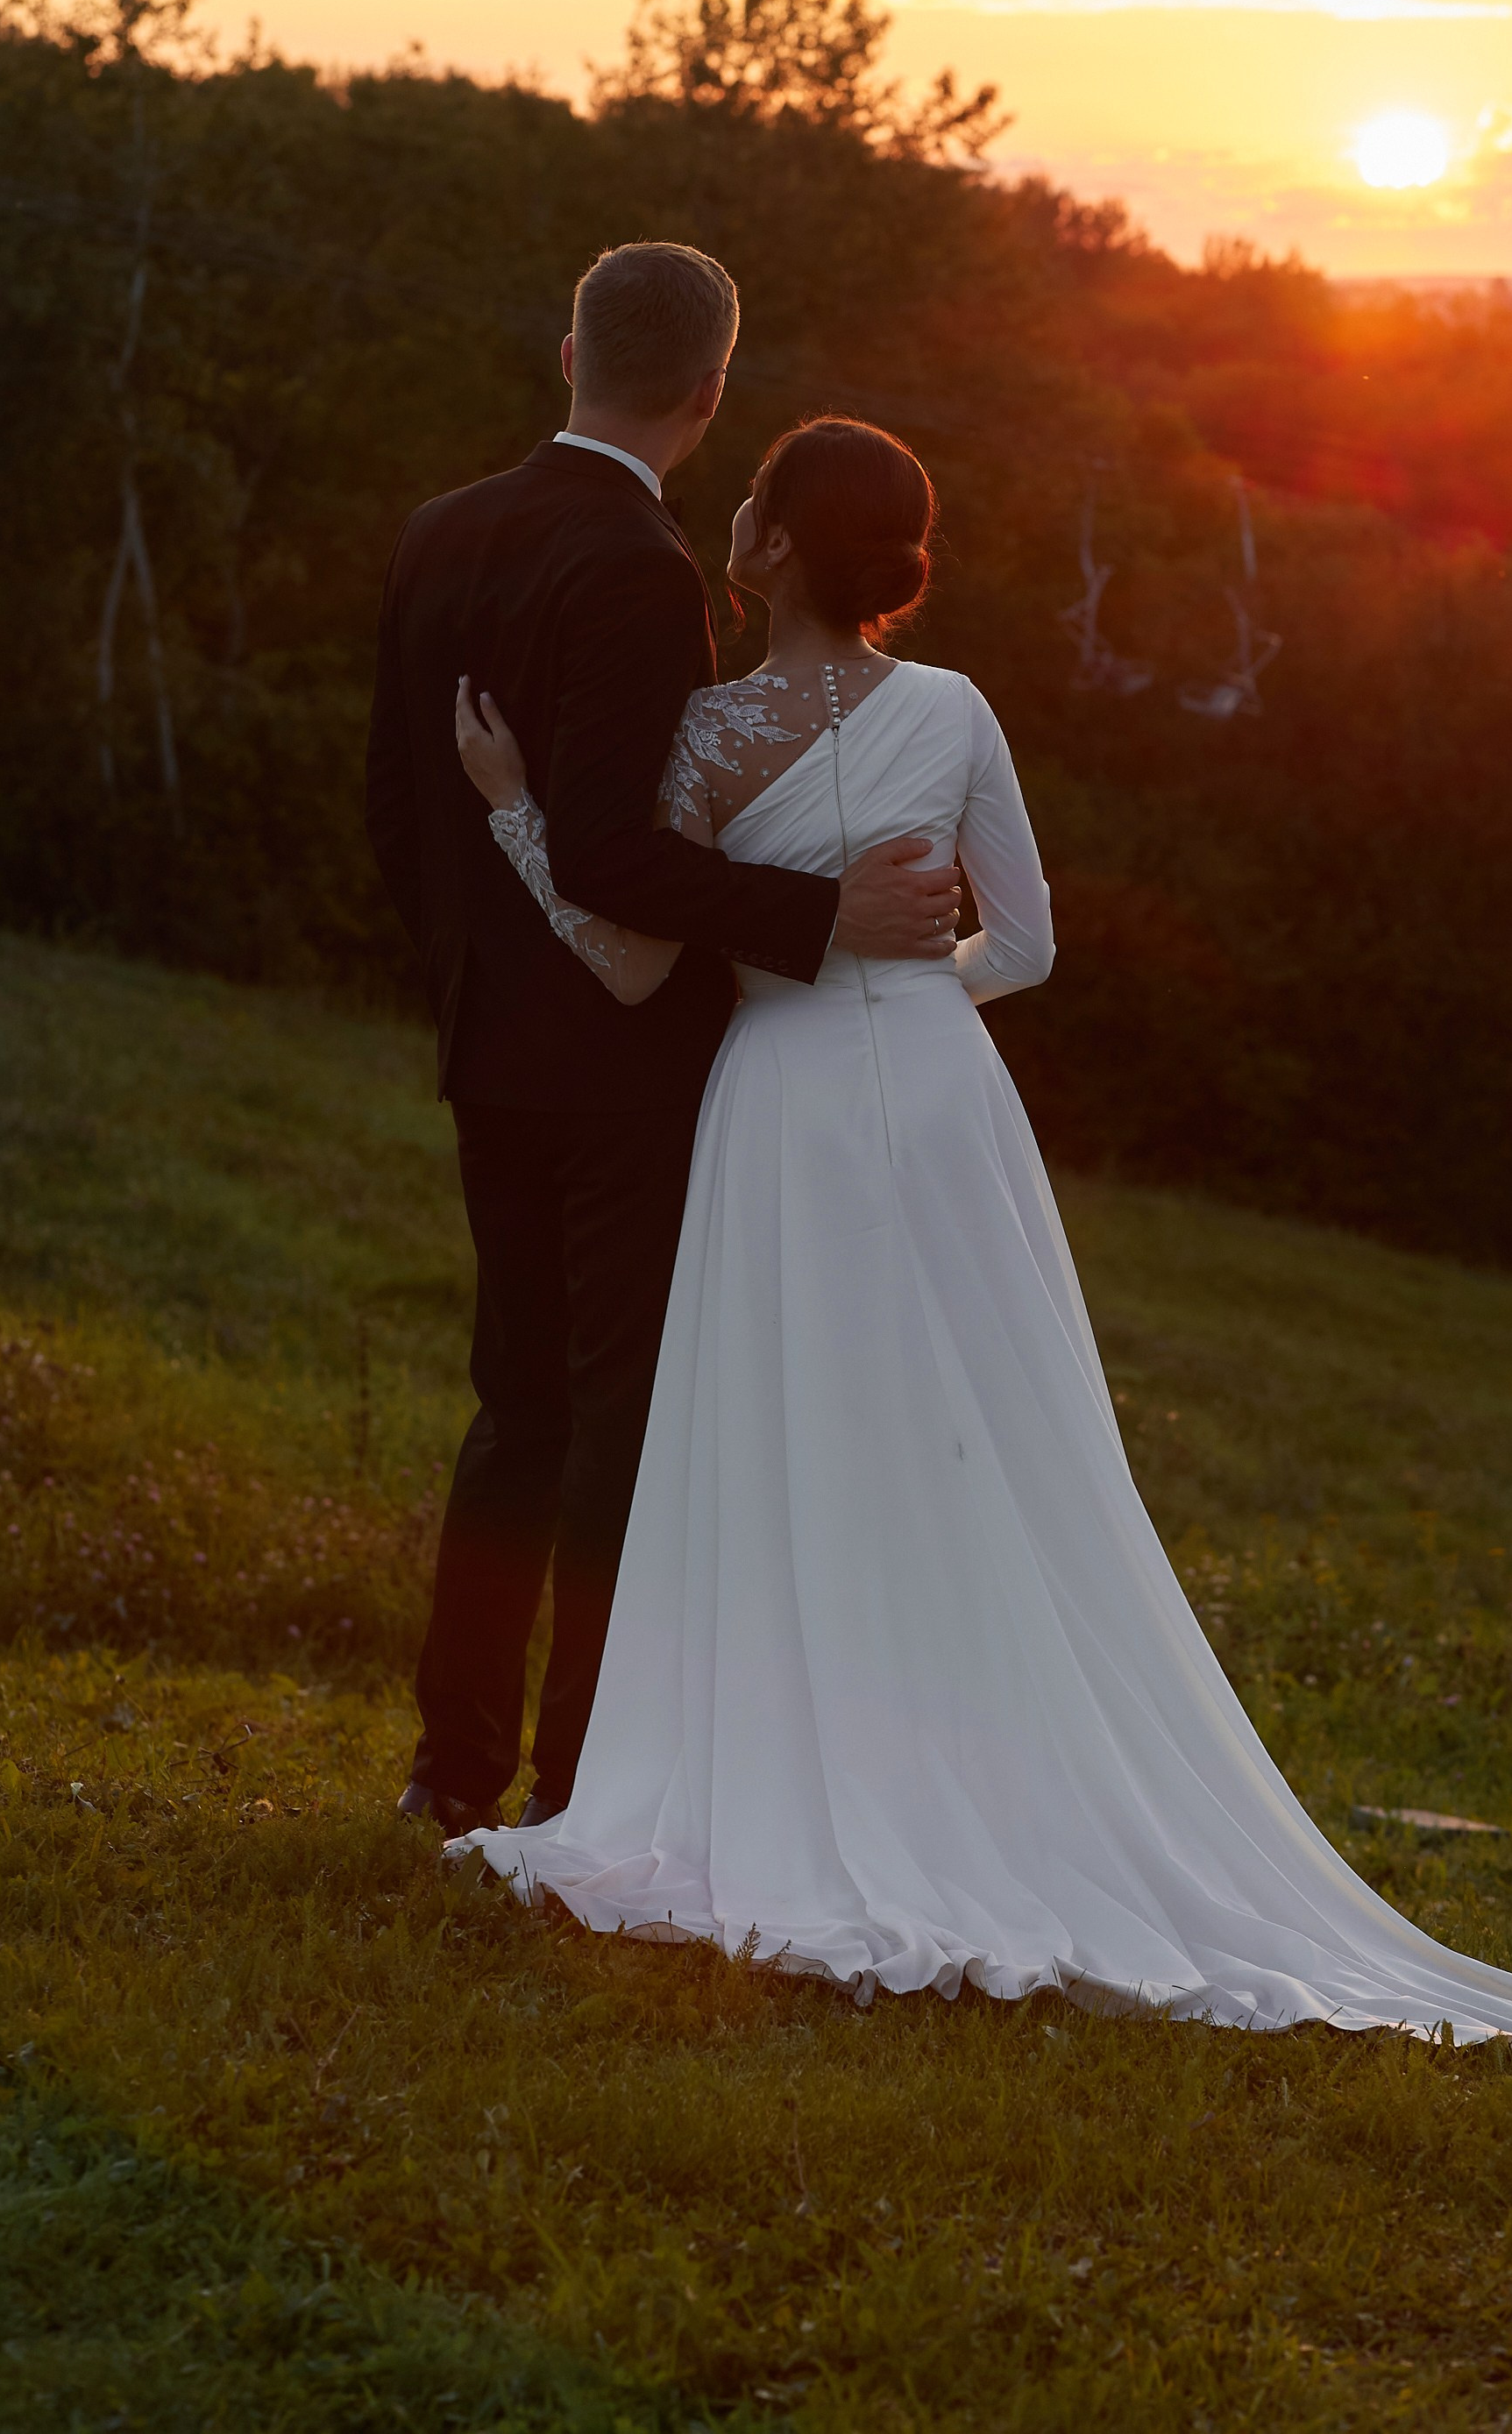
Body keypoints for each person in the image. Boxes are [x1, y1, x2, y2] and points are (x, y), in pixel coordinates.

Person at [446, 409, 1512, 2065]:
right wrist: (902, 983)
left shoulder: (699, 742)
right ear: (892, 563)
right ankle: (981, 1771)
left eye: (751, 509)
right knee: (984, 1448)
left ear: (759, 552)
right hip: (950, 1106)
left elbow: (623, 968)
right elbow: (1023, 945)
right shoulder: (958, 709)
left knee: (803, 1444)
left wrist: (516, 813)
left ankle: (814, 1773)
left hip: (785, 1114)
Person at [364, 244, 962, 1838]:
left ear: (568, 350)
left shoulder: (438, 533)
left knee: (516, 1410)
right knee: (612, 1424)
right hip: (620, 1070)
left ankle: (451, 1777)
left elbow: (389, 818)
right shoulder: (641, 566)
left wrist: (469, 978)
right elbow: (623, 858)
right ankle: (580, 1792)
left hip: (491, 1047)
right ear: (708, 397)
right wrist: (824, 917)